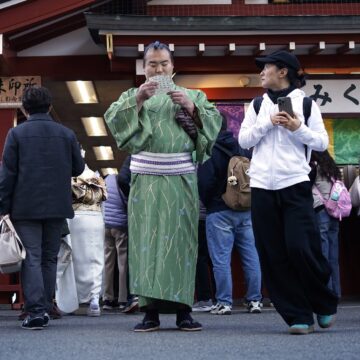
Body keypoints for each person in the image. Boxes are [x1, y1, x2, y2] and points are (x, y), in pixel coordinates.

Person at [104, 41, 222, 332]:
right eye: (152, 64)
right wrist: (138, 101)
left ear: (173, 65)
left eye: (164, 64)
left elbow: (214, 126)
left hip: (181, 178)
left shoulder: (193, 94)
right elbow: (114, 121)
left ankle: (184, 311)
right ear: (143, 68)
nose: (158, 69)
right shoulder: (131, 95)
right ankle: (149, 311)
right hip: (145, 181)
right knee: (146, 243)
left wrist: (191, 106)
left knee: (182, 242)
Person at [238, 50, 338, 335]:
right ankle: (298, 315)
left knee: (301, 246)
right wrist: (267, 122)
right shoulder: (256, 105)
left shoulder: (307, 104)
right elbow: (244, 140)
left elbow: (320, 142)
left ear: (283, 71)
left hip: (295, 184)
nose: (261, 72)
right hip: (261, 187)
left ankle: (323, 301)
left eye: (266, 68)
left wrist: (297, 127)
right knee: (273, 253)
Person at [0, 86, 84, 330]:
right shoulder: (66, 134)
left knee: (32, 258)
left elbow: (8, 174)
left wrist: (2, 206)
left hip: (25, 207)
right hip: (57, 206)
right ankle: (46, 305)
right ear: (49, 107)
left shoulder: (16, 135)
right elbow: (78, 169)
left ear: (25, 109)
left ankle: (36, 311)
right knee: (49, 258)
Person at [198, 113, 263, 315]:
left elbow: (205, 182)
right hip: (245, 209)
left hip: (219, 210)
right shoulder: (242, 147)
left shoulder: (210, 149)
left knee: (220, 259)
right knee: (251, 256)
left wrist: (210, 202)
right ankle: (254, 301)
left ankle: (224, 302)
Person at [68, 155, 107, 317]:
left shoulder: (70, 175)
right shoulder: (95, 176)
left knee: (75, 259)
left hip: (75, 217)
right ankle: (94, 299)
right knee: (96, 258)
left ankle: (73, 299)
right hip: (96, 218)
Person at [102, 172, 138, 313]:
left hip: (106, 225)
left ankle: (108, 299)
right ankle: (123, 298)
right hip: (120, 226)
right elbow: (128, 202)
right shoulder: (121, 182)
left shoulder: (105, 181)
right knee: (123, 262)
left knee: (108, 262)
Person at [310, 150, 341, 298]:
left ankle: (327, 292)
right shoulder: (332, 168)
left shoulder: (314, 167)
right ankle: (336, 291)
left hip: (321, 211)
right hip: (335, 211)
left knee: (323, 254)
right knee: (333, 256)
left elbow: (309, 189)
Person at [192, 199, 215, 312]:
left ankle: (204, 299)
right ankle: (220, 298)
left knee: (200, 258)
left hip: (199, 216)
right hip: (215, 215)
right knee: (216, 259)